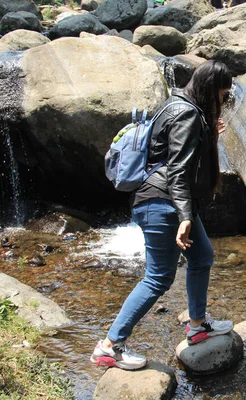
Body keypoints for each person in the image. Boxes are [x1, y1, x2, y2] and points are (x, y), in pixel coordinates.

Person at [90, 61, 234, 370]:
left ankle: (197, 326)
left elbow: (171, 155)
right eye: (223, 93)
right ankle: (110, 346)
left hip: (168, 201)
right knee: (158, 278)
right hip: (163, 203)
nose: (224, 100)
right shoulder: (187, 114)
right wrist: (184, 216)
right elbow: (178, 172)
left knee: (202, 257)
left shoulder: (176, 104)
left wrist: (210, 137)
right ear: (211, 90)